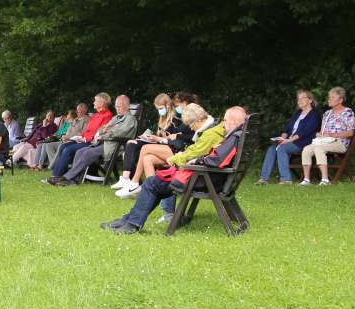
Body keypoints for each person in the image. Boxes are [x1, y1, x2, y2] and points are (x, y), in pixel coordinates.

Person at [102, 106, 246, 232]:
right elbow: (217, 158)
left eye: (225, 120)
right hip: (211, 179)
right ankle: (129, 220)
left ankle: (131, 223)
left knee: (152, 183)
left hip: (203, 180)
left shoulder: (229, 136)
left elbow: (215, 160)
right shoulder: (237, 135)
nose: (223, 123)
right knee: (154, 184)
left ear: (233, 121)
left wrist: (196, 160)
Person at [115, 91, 199, 196]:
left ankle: (134, 182)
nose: (175, 108)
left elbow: (190, 138)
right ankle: (151, 191)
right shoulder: (184, 115)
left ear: (185, 103)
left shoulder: (190, 116)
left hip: (182, 151)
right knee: (148, 158)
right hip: (174, 147)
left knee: (145, 148)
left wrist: (173, 136)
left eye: (177, 105)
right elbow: (180, 136)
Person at [51, 94, 135, 185]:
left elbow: (119, 132)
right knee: (80, 151)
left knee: (87, 153)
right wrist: (103, 131)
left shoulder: (130, 119)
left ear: (127, 106)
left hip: (115, 146)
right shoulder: (116, 118)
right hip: (105, 143)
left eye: (119, 106)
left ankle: (68, 178)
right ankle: (74, 178)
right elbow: (103, 128)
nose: (117, 109)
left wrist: (104, 134)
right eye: (116, 106)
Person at [257, 90, 322, 184]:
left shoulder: (314, 114)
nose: (299, 101)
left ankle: (286, 179)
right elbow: (287, 129)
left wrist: (288, 140)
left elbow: (304, 132)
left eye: (302, 98)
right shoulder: (298, 113)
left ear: (310, 100)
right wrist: (282, 138)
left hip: (303, 142)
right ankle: (263, 179)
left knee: (282, 149)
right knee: (272, 148)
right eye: (298, 99)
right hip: (290, 141)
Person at [298, 87, 355, 185]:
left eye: (332, 97)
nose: (329, 99)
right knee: (307, 149)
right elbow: (322, 132)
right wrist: (319, 134)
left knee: (319, 149)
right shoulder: (327, 114)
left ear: (340, 100)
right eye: (329, 97)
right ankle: (306, 180)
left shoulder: (347, 112)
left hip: (340, 143)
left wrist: (333, 135)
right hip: (325, 141)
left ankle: (325, 180)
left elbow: (350, 133)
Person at [41, 103, 88, 169]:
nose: (77, 111)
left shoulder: (87, 120)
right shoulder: (75, 120)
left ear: (84, 110)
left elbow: (83, 134)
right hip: (65, 139)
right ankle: (56, 165)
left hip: (74, 141)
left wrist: (68, 137)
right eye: (77, 110)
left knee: (61, 146)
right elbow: (68, 130)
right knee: (49, 146)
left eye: (78, 110)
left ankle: (53, 166)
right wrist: (65, 136)